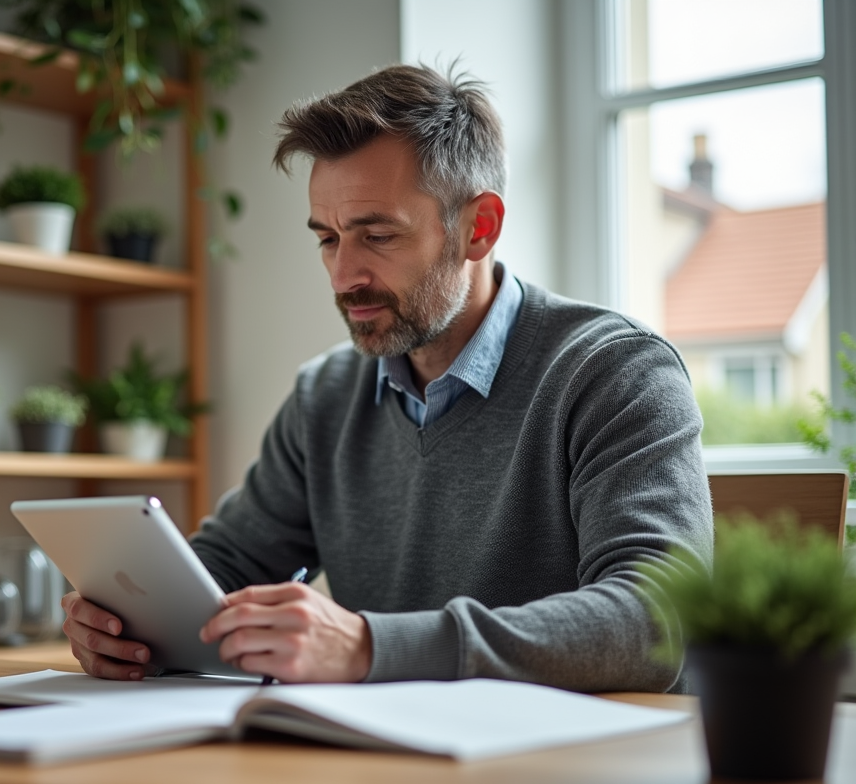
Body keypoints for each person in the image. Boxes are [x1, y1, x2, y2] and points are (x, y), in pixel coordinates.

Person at [62, 64, 713, 692]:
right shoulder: (325, 398)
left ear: (477, 228)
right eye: (327, 238)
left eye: (377, 236)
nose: (344, 276)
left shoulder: (616, 373)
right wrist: (127, 622)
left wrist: (370, 648)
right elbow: (222, 569)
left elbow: (657, 620)